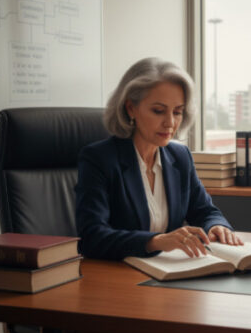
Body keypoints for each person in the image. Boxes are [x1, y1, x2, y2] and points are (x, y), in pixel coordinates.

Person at [76, 58, 242, 260]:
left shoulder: (180, 157)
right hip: (118, 276)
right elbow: (91, 237)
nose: (170, 123)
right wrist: (154, 241)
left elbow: (205, 210)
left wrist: (216, 225)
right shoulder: (100, 159)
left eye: (177, 112)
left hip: (169, 273)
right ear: (130, 108)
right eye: (158, 111)